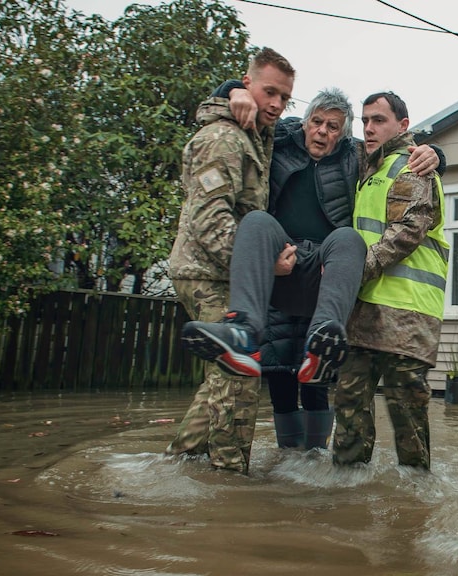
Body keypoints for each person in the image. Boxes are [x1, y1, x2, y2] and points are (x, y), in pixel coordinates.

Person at [183, 82, 442, 451]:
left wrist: (436, 154)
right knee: (278, 372)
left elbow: (394, 152)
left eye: (333, 126)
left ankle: (316, 440)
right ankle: (241, 330)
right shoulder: (280, 140)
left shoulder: (355, 156)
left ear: (343, 134)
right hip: (280, 268)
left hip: (325, 277)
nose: (322, 131)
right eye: (316, 122)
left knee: (346, 242)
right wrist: (233, 90)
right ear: (304, 122)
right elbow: (243, 118)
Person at [166, 47, 295, 474]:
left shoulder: (256, 134)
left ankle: (180, 462)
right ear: (247, 83)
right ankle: (229, 478)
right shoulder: (224, 138)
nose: (276, 104)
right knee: (240, 369)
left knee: (226, 371)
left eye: (284, 97)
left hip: (223, 273)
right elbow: (209, 220)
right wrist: (260, 267)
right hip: (205, 271)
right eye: (269, 92)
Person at [332, 92, 449, 470]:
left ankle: (414, 495)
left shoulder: (411, 166)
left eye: (379, 120)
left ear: (403, 125)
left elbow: (407, 231)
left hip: (407, 313)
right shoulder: (366, 170)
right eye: (365, 120)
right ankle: (345, 490)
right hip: (363, 309)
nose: (368, 128)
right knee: (349, 406)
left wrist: (351, 273)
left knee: (407, 415)